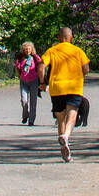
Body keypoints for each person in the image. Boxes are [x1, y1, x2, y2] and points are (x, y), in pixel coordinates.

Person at [38, 27, 90, 162]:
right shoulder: (78, 51)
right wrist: (79, 75)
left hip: (57, 88)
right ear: (71, 37)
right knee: (72, 114)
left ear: (59, 37)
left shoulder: (52, 51)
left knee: (61, 118)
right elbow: (86, 69)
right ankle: (66, 136)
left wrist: (43, 82)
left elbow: (41, 66)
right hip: (74, 87)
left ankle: (64, 150)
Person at [14, 41, 42, 125]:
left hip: (34, 81)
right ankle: (25, 115)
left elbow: (41, 66)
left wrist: (41, 80)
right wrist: (20, 75)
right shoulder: (20, 58)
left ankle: (31, 120)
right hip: (24, 81)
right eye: (26, 49)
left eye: (29, 49)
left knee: (33, 101)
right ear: (23, 50)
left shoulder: (35, 58)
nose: (27, 51)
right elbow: (17, 69)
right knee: (24, 101)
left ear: (32, 49)